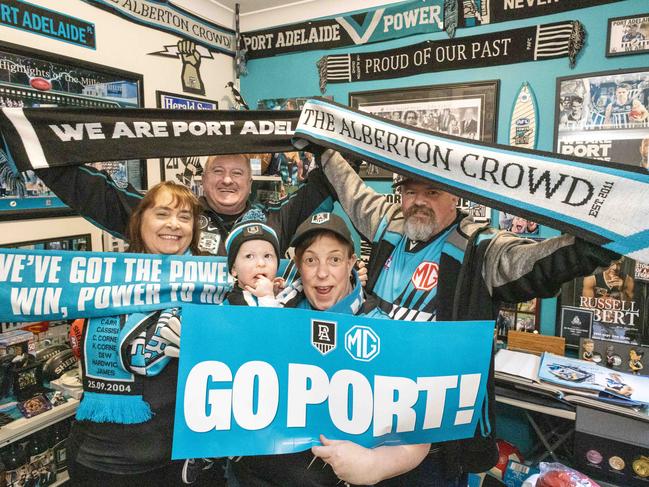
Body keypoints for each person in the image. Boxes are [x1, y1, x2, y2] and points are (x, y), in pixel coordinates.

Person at [316, 150, 617, 484]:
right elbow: (352, 191)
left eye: (432, 192)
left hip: (437, 446)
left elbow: (539, 263)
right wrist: (325, 150)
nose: (419, 201)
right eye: (411, 191)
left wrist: (601, 242)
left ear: (455, 194)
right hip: (373, 421)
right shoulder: (390, 226)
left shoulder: (480, 248)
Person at [230, 212, 431, 486]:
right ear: (298, 265)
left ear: (351, 263)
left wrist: (377, 464)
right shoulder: (275, 306)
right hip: (254, 476)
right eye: (311, 260)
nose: (322, 273)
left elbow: (420, 432)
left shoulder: (382, 327)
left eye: (334, 259)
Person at [66, 181, 207, 487]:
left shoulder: (209, 287)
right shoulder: (101, 281)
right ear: (140, 220)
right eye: (162, 213)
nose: (174, 224)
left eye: (185, 217)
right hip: (102, 461)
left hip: (176, 461)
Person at [35, 152, 334, 256]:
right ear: (204, 179)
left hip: (247, 343)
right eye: (218, 171)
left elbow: (326, 184)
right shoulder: (176, 217)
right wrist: (38, 148)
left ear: (249, 182)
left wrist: (327, 142)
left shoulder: (275, 217)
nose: (227, 180)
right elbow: (100, 194)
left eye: (237, 173)